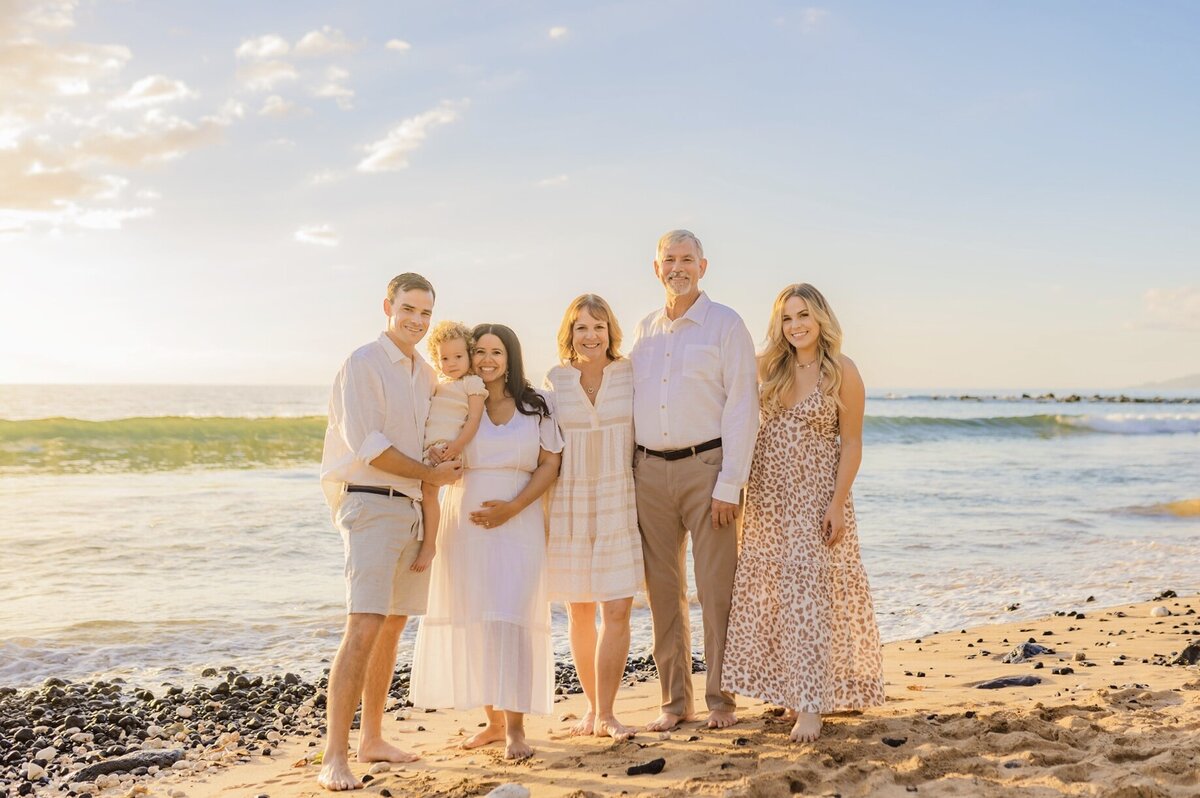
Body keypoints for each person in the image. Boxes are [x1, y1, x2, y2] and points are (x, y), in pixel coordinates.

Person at [317, 273, 464, 791]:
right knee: (363, 624)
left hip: (412, 509)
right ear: (388, 306)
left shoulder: (424, 373)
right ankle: (334, 756)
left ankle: (372, 739)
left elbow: (434, 438)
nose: (417, 322)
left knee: (393, 624)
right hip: (371, 505)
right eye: (409, 309)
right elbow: (370, 447)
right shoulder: (363, 363)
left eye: (426, 313)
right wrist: (432, 476)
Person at [721, 283, 885, 743]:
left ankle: (812, 706)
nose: (795, 326)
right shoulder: (767, 367)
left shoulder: (842, 372)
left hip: (816, 497)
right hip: (768, 497)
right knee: (778, 596)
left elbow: (851, 444)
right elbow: (709, 378)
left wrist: (836, 503)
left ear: (821, 319)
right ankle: (795, 691)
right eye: (787, 318)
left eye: (803, 316)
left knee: (812, 596)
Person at [410, 323, 563, 760]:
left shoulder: (538, 406)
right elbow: (438, 450)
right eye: (479, 351)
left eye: (497, 352)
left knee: (513, 618)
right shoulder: (458, 401)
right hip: (465, 524)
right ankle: (494, 723)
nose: (487, 360)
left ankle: (516, 729)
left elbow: (550, 465)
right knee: (478, 620)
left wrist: (512, 508)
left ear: (511, 358)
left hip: (520, 523)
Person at [628, 230, 759, 731]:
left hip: (707, 470)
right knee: (662, 592)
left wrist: (731, 484)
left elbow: (743, 406)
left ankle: (721, 699)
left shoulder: (726, 325)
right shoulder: (643, 330)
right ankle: (673, 701)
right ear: (655, 267)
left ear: (703, 266)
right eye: (669, 259)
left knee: (716, 589)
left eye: (687, 259)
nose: (677, 267)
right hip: (648, 473)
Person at [543, 294, 643, 740]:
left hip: (619, 499)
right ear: (570, 333)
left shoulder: (630, 374)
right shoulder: (555, 382)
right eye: (581, 327)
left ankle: (608, 712)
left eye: (599, 326)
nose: (591, 335)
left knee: (617, 606)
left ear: (611, 331)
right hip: (569, 503)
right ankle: (590, 710)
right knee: (579, 611)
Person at [413, 320, 488, 573]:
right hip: (432, 448)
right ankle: (430, 541)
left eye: (458, 356)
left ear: (469, 355)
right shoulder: (438, 385)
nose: (452, 363)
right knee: (425, 492)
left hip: (453, 447)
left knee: (429, 489)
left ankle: (429, 545)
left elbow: (474, 419)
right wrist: (430, 449)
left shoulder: (473, 384)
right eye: (445, 358)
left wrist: (456, 446)